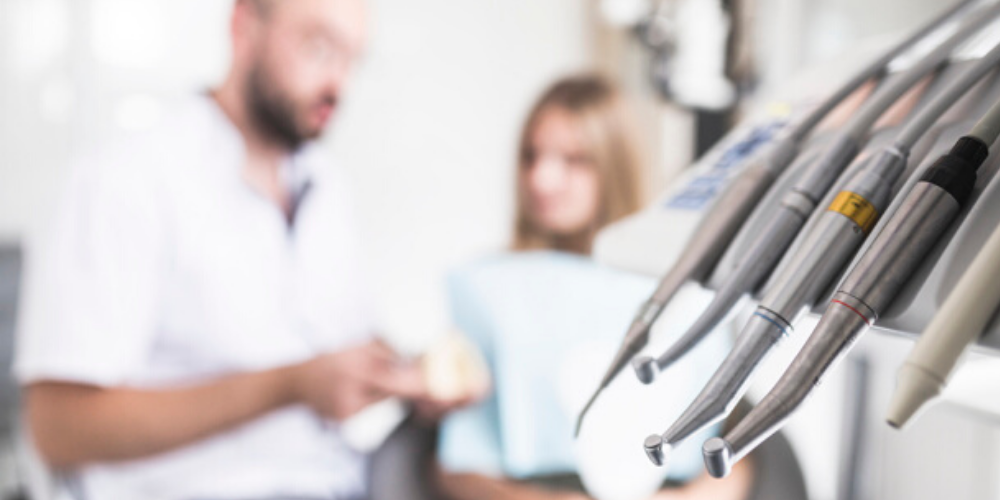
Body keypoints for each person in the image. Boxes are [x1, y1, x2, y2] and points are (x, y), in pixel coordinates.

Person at [15, 1, 450, 499]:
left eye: (353, 60)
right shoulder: (126, 181)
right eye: (319, 48)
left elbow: (340, 343)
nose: (339, 84)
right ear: (244, 25)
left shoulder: (327, 186)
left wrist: (411, 377)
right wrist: (288, 386)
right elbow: (57, 428)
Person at [433, 75, 755, 500]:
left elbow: (740, 448)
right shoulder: (487, 292)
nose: (542, 179)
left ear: (613, 163)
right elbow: (455, 466)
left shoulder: (688, 289)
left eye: (573, 159)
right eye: (531, 156)